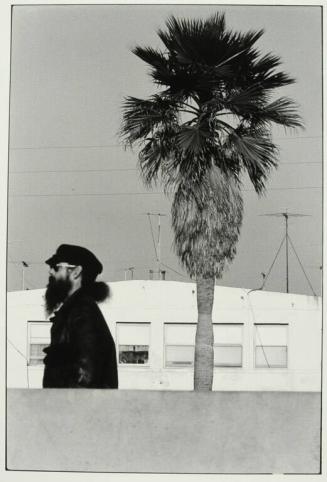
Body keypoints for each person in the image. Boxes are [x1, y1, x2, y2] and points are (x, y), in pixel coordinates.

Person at [42, 244, 118, 389]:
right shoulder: (74, 311)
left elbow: (87, 378)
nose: (51, 271)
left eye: (56, 267)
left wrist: (59, 407)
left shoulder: (83, 312)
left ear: (76, 272)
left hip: (75, 409)